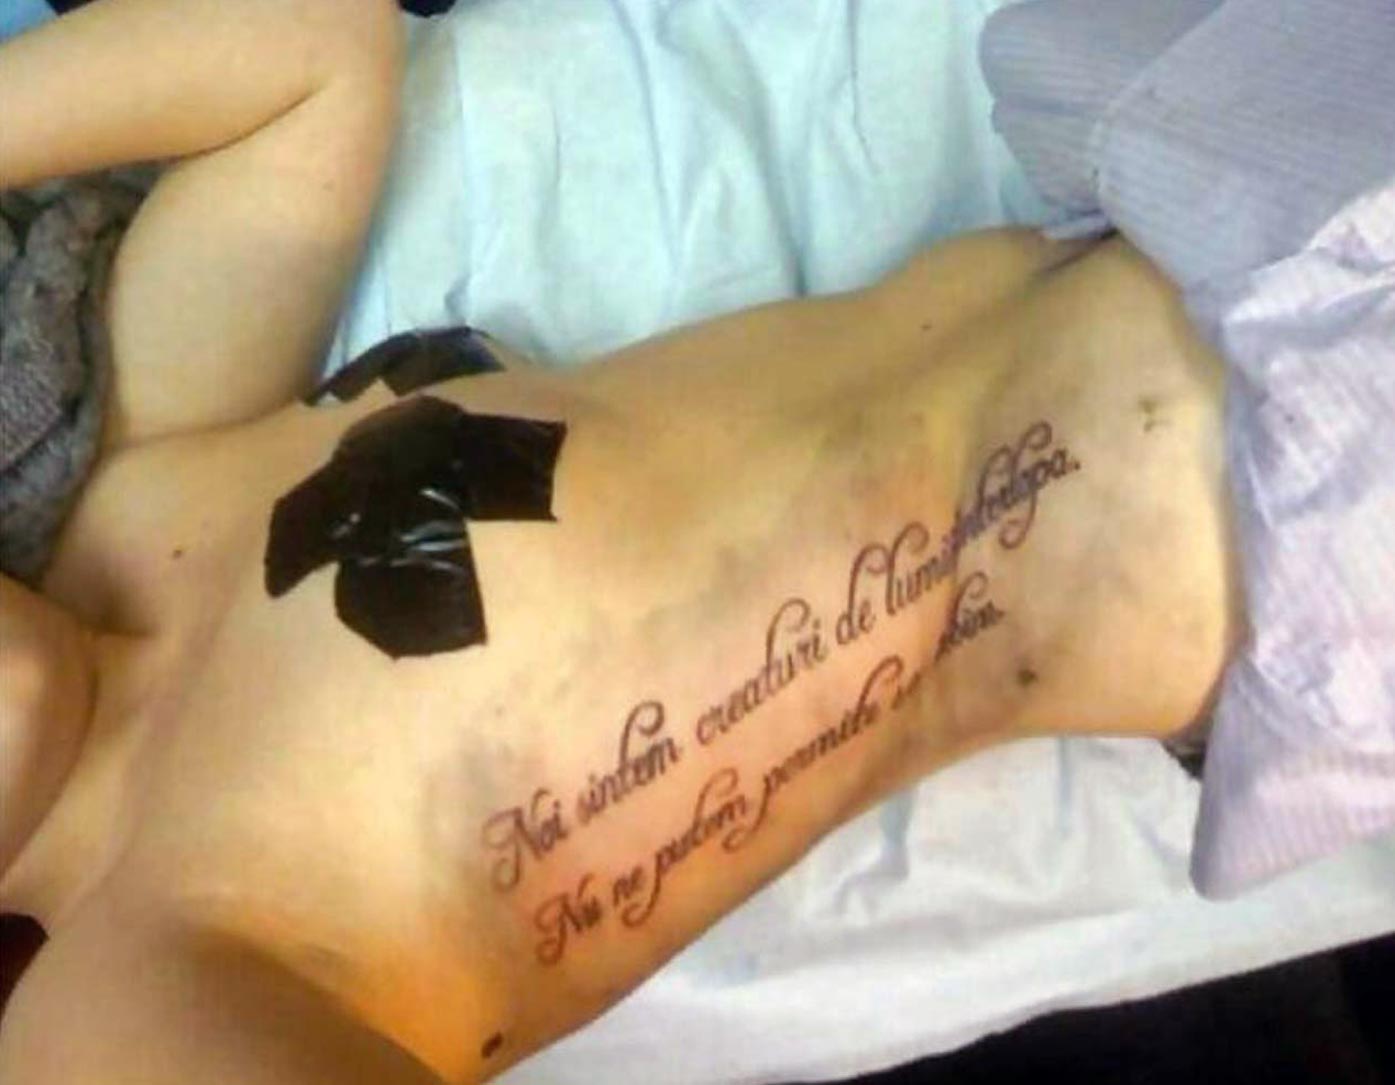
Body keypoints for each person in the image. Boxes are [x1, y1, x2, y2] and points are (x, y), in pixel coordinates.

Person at [0, 1, 1238, 1082]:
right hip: (1265, 508)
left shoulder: (145, 475)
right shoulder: (113, 992)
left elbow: (312, 42)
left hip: (1174, 188)